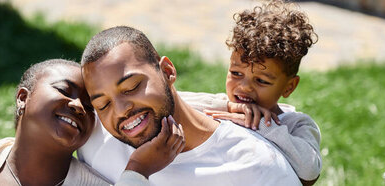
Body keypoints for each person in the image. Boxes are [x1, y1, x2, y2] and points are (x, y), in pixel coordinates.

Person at [0, 59, 186, 186]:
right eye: (64, 91)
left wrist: (136, 171)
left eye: (90, 106)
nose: (77, 106)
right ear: (23, 97)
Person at [78, 25, 300, 185]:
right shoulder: (92, 141)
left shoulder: (254, 167)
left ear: (167, 72)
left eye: (131, 87)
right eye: (103, 104)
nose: (120, 110)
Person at [203, 1, 322, 184]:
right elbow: (175, 101)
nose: (244, 87)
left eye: (261, 81)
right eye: (236, 73)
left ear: (289, 87)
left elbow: (310, 171)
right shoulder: (223, 107)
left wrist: (263, 125)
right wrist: (227, 106)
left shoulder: (297, 125)